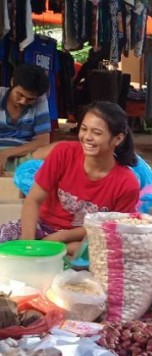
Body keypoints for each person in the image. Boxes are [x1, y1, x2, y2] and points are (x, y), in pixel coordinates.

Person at [0, 101, 140, 256]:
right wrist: (29, 245)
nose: (87, 137)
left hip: (86, 238)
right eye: (84, 129)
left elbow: (113, 229)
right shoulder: (63, 153)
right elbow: (33, 200)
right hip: (43, 227)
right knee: (5, 237)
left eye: (97, 133)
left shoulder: (127, 183)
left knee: (113, 250)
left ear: (118, 139)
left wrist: (61, 238)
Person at [0, 63, 51, 174]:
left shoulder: (40, 100)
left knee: (59, 149)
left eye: (30, 99)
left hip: (24, 156)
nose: (23, 101)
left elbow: (43, 141)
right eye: (20, 94)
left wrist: (7, 153)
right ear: (12, 82)